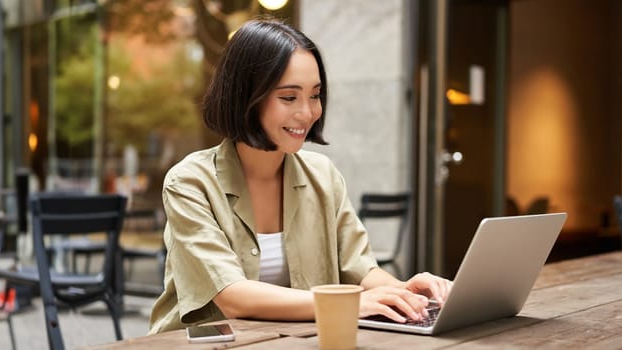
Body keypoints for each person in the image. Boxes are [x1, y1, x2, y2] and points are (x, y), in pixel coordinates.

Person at [148, 18, 452, 334]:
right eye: (289, 97)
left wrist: (404, 293)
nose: (307, 113)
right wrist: (344, 305)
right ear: (246, 97)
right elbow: (233, 297)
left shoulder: (323, 175)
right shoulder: (190, 182)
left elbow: (360, 270)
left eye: (315, 95)